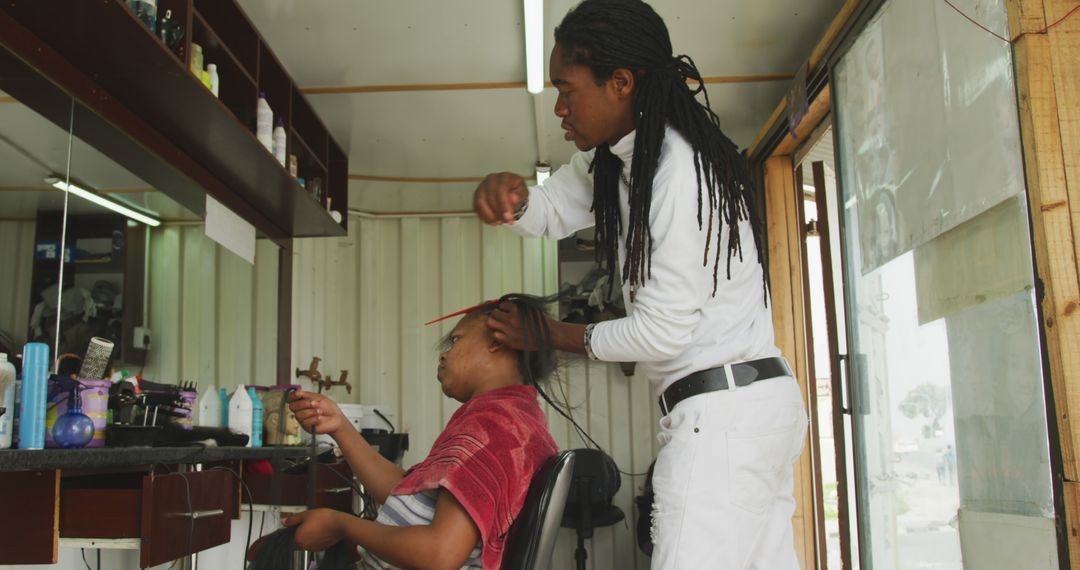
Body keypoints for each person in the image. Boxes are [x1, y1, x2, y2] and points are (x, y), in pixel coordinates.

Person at [473, 1, 808, 568]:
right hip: (746, 409)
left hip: (724, 419)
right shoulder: (622, 157)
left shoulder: (676, 170)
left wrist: (554, 335)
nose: (558, 106)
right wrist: (514, 200)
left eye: (567, 89)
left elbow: (661, 334)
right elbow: (552, 208)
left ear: (620, 82)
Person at [284, 294, 559, 570]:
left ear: (497, 341)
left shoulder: (495, 427)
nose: (444, 353)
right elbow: (406, 492)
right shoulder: (517, 419)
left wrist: (340, 524)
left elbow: (439, 553)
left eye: (456, 340)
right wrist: (340, 426)